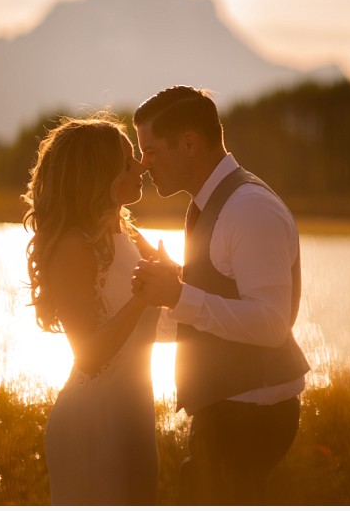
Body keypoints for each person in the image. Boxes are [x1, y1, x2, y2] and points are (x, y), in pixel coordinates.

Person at [130, 86, 310, 505]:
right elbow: (218, 299)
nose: (143, 165)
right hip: (230, 409)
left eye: (152, 151)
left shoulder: (249, 208)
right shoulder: (212, 203)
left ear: (189, 143)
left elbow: (270, 324)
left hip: (250, 415)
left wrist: (177, 294)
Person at [22, 114, 162, 505]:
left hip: (134, 411)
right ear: (99, 175)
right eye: (128, 162)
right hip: (92, 420)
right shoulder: (72, 246)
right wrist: (142, 297)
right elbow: (88, 354)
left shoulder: (127, 233)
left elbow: (172, 297)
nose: (141, 166)